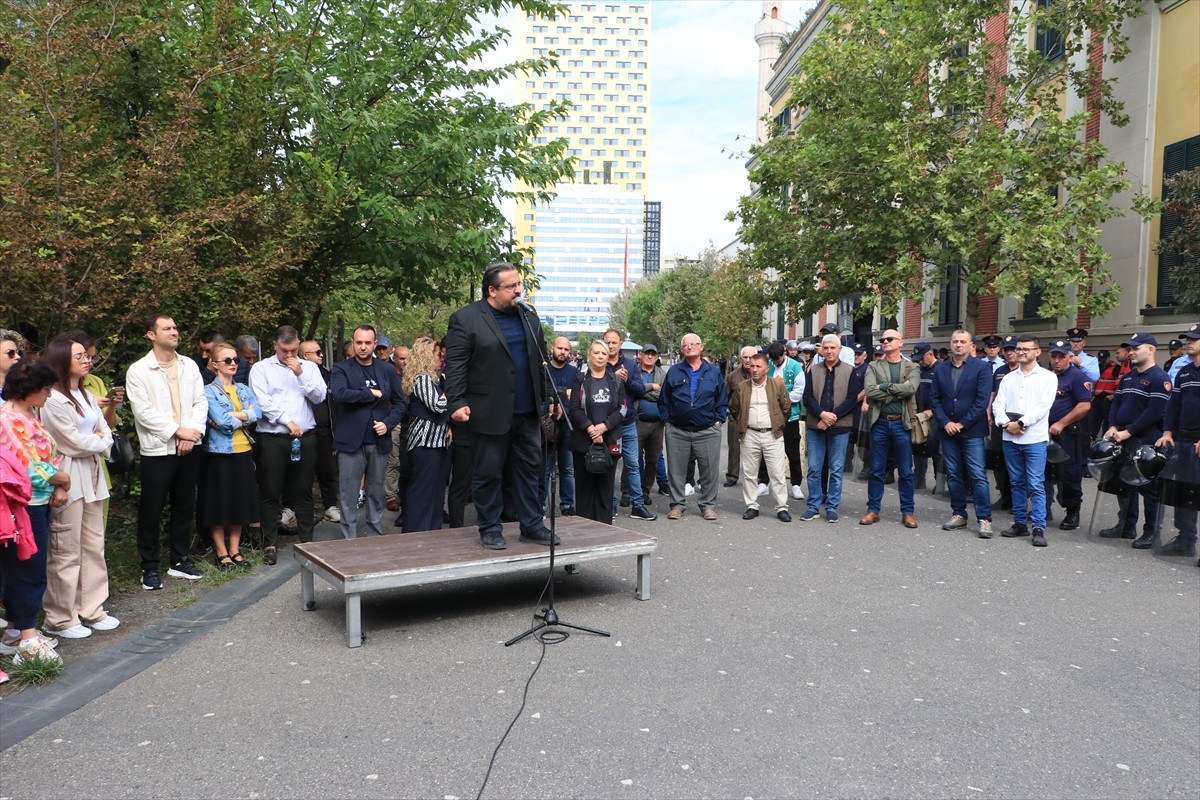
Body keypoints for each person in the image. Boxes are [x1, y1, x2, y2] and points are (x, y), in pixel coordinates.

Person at [444, 262, 556, 550]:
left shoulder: (528, 316)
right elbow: (456, 365)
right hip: (487, 411)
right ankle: (490, 528)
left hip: (527, 411)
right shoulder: (465, 319)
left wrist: (548, 398)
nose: (518, 291)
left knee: (530, 470)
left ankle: (531, 524)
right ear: (491, 290)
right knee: (488, 473)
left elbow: (539, 360)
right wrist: (456, 401)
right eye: (511, 286)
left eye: (519, 284)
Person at [39, 337, 118, 637]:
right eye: (79, 356)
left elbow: (105, 431)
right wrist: (100, 441)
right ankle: (60, 617)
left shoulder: (85, 394)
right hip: (68, 475)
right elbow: (71, 442)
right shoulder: (53, 399)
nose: (87, 360)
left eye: (87, 355)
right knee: (65, 548)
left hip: (93, 474)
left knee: (93, 544)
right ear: (61, 360)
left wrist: (100, 440)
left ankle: (92, 609)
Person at [126, 313, 207, 589]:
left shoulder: (190, 366)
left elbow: (200, 402)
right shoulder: (138, 370)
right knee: (152, 508)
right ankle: (149, 567)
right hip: (158, 450)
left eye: (175, 327)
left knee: (184, 506)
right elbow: (143, 412)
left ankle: (179, 559)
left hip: (189, 446)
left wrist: (191, 433)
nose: (174, 332)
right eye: (167, 328)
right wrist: (176, 431)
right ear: (151, 334)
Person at [0, 361, 69, 664]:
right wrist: (62, 480)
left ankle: (16, 632)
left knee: (28, 565)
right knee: (26, 567)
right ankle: (28, 640)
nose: (50, 395)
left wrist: (58, 486)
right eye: (45, 389)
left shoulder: (29, 414)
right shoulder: (8, 419)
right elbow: (27, 466)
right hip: (21, 504)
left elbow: (49, 455)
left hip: (40, 500)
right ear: (28, 390)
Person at [250, 325, 328, 564]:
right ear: (275, 346)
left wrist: (300, 373)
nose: (289, 355)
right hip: (274, 438)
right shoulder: (260, 368)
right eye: (284, 350)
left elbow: (320, 396)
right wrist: (288, 421)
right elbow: (262, 402)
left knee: (303, 490)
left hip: (305, 438)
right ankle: (270, 544)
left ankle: (308, 544)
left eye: (293, 350)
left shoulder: (310, 368)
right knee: (270, 491)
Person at [330, 325, 406, 539]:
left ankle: (374, 538)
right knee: (348, 494)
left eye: (367, 343)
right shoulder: (341, 369)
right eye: (358, 342)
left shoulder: (387, 370)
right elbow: (340, 394)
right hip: (350, 441)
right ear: (353, 343)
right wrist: (369, 393)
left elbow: (400, 403)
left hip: (378, 439)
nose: (363, 347)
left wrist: (388, 423)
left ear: (375, 345)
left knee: (375, 492)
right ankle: (349, 541)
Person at [1098, 333, 1171, 548]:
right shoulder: (1128, 377)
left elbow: (1154, 412)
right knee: (1124, 483)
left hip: (1146, 437)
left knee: (1149, 488)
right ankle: (1126, 525)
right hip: (1122, 435)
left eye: (1136, 348)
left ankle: (1150, 533)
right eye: (1130, 349)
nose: (1131, 352)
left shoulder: (1160, 378)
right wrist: (1112, 426)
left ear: (1151, 350)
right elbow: (1116, 404)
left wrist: (1128, 431)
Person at [992, 335, 1057, 547]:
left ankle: (1038, 526)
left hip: (1034, 438)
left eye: (1026, 349)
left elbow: (1043, 407)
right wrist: (1004, 424)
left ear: (1037, 352)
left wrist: (1020, 423)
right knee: (1016, 482)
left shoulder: (1047, 377)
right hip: (1010, 438)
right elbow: (997, 404)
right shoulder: (1008, 378)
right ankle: (1020, 522)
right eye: (1018, 349)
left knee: (1036, 483)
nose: (1021, 352)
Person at [929, 329, 994, 538]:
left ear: (970, 345)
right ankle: (959, 515)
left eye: (962, 342)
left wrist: (962, 424)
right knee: (954, 474)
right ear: (950, 343)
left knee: (977, 474)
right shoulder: (941, 368)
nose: (958, 345)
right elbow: (935, 398)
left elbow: (982, 400)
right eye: (955, 341)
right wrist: (946, 422)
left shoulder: (982, 368)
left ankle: (984, 519)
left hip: (972, 429)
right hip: (947, 430)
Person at [201, 342, 261, 569]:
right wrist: (244, 416)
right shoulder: (208, 391)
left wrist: (233, 416)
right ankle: (221, 551)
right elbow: (223, 421)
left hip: (243, 450)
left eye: (236, 360)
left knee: (239, 502)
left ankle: (235, 550)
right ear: (215, 364)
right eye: (228, 360)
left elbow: (259, 413)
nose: (234, 364)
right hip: (220, 453)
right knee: (219, 504)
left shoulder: (243, 389)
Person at [659, 333, 728, 521]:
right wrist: (667, 421)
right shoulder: (674, 372)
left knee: (709, 471)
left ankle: (708, 506)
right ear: (682, 350)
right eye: (686, 345)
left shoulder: (713, 372)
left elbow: (722, 399)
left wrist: (719, 420)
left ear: (701, 347)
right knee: (676, 471)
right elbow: (664, 400)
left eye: (693, 344)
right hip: (677, 431)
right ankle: (677, 505)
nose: (690, 347)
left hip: (707, 431)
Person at [860, 329, 920, 528]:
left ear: (900, 342)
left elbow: (911, 389)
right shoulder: (874, 365)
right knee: (876, 470)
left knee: (905, 471)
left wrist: (883, 387)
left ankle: (908, 512)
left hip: (902, 424)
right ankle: (873, 510)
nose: (885, 342)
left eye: (889, 339)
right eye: (883, 339)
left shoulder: (911, 366)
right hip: (880, 423)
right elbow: (869, 391)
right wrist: (896, 391)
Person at [801, 334, 862, 522]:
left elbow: (852, 399)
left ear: (839, 350)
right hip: (815, 425)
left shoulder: (850, 371)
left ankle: (832, 507)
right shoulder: (813, 370)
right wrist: (821, 414)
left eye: (832, 348)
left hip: (840, 428)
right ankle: (813, 506)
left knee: (836, 470)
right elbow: (808, 397)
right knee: (814, 468)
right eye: (826, 348)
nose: (829, 351)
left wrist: (830, 419)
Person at [729, 351, 792, 522]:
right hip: (749, 434)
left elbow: (786, 408)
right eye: (751, 366)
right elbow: (734, 409)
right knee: (749, 473)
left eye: (758, 366)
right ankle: (752, 505)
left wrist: (777, 424)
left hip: (772, 434)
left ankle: (781, 507)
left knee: (777, 473)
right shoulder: (742, 387)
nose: (754, 369)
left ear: (766, 368)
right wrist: (743, 424)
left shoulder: (777, 386)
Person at [567, 341, 625, 523]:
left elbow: (622, 409)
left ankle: (605, 529)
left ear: (609, 357)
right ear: (589, 355)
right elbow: (574, 408)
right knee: (584, 490)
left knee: (604, 490)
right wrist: (590, 428)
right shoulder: (580, 378)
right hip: (584, 442)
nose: (600, 356)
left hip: (609, 442)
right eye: (597, 353)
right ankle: (584, 531)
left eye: (604, 353)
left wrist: (604, 427)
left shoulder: (616, 381)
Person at [1156, 324, 1200, 562]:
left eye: (1194, 339)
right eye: (1187, 339)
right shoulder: (1183, 371)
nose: (1188, 342)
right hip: (1183, 440)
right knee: (1184, 492)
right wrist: (1167, 432)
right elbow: (1173, 406)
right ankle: (1185, 539)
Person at [602, 328, 655, 520]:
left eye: (614, 342)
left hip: (628, 422)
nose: (611, 345)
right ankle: (611, 504)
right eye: (607, 342)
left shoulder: (631, 365)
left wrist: (625, 380)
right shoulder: (600, 363)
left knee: (633, 464)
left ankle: (638, 505)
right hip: (608, 424)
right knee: (609, 465)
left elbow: (640, 390)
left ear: (620, 344)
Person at [400, 337, 451, 533]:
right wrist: (451, 392)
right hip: (425, 443)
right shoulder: (422, 379)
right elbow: (438, 406)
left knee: (436, 492)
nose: (441, 359)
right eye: (438, 355)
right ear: (426, 357)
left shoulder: (435, 380)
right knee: (422, 491)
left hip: (437, 443)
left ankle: (431, 531)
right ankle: (416, 533)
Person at [1044, 339, 1094, 531]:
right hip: (1045, 433)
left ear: (1070, 357)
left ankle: (1073, 512)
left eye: (1061, 356)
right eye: (1054, 356)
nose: (1057, 360)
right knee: (1044, 473)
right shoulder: (1047, 377)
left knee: (1069, 474)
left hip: (1068, 435)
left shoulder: (1077, 377)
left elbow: (1084, 405)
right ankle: (1044, 509)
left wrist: (1062, 423)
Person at [300, 340, 339, 523]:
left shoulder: (327, 374)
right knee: (301, 472)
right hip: (303, 432)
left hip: (325, 430)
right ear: (305, 356)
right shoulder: (293, 373)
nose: (321, 354)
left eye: (321, 351)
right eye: (317, 352)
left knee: (327, 469)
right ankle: (294, 508)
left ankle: (330, 505)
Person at [766, 341, 806, 500]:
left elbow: (799, 392)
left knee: (793, 451)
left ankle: (796, 485)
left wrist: (780, 400)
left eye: (778, 360)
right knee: (766, 449)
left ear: (785, 353)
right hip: (769, 416)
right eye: (774, 361)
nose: (776, 363)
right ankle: (764, 481)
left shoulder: (796, 367)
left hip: (790, 416)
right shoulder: (767, 365)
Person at [545, 336, 579, 516]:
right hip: (547, 426)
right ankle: (540, 506)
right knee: (545, 468)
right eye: (560, 348)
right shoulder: (544, 369)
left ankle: (567, 505)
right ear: (553, 348)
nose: (562, 352)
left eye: (566, 349)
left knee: (567, 468)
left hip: (567, 426)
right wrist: (561, 394)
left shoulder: (574, 373)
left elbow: (576, 398)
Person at [986, 336, 1020, 511]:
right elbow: (993, 394)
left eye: (1012, 349)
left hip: (1020, 423)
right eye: (1007, 350)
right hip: (1000, 421)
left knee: (1016, 461)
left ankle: (1017, 498)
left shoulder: (1025, 370)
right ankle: (1004, 496)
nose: (1009, 353)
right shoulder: (999, 370)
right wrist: (989, 414)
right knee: (998, 460)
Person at [634, 343, 668, 508]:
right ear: (640, 355)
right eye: (646, 353)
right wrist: (649, 389)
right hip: (637, 421)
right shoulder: (634, 371)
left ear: (656, 356)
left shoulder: (663, 374)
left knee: (653, 459)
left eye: (652, 354)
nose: (649, 356)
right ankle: (632, 491)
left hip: (657, 424)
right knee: (634, 458)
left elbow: (663, 396)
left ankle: (646, 489)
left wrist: (643, 392)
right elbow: (634, 391)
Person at [723, 346, 756, 488]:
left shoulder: (761, 374)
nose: (748, 360)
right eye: (745, 357)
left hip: (755, 416)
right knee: (734, 448)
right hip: (735, 417)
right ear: (741, 358)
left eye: (751, 357)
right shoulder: (732, 376)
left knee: (755, 449)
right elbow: (725, 396)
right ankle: (732, 475)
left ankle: (755, 477)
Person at [385, 343, 412, 517]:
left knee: (408, 461)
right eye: (402, 358)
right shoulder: (389, 375)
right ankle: (391, 496)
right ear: (394, 359)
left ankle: (407, 494)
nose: (405, 362)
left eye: (407, 358)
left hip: (411, 422)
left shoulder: (415, 376)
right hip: (395, 422)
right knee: (394, 460)